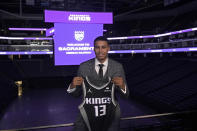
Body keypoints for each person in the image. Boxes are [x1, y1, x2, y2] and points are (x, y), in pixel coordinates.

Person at [67, 36, 129, 131]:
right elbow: (76, 94)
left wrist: (122, 86)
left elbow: (126, 95)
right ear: (93, 49)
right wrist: (72, 85)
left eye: (103, 47)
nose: (100, 51)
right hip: (88, 116)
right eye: (97, 47)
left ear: (108, 48)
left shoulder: (117, 67)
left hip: (110, 116)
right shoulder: (83, 67)